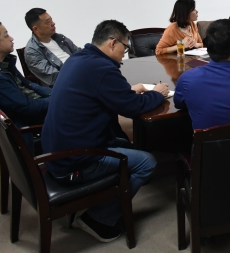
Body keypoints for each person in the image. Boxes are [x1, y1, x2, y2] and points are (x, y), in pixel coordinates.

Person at [42, 20, 168, 243]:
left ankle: (107, 194)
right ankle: (99, 219)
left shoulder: (79, 59)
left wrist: (126, 91)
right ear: (112, 43)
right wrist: (157, 93)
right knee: (147, 162)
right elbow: (133, 107)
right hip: (75, 161)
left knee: (126, 144)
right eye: (125, 48)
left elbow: (98, 93)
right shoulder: (103, 69)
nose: (124, 54)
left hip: (56, 149)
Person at [0, 19, 50, 130]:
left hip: (32, 105)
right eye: (6, 36)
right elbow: (28, 108)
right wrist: (58, 98)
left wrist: (54, 93)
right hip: (30, 121)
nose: (11, 38)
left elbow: (28, 84)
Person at [23, 8, 81, 87]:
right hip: (68, 84)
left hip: (81, 72)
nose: (53, 23)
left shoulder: (59, 38)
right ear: (36, 29)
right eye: (48, 22)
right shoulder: (32, 52)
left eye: (51, 20)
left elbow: (79, 52)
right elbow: (55, 77)